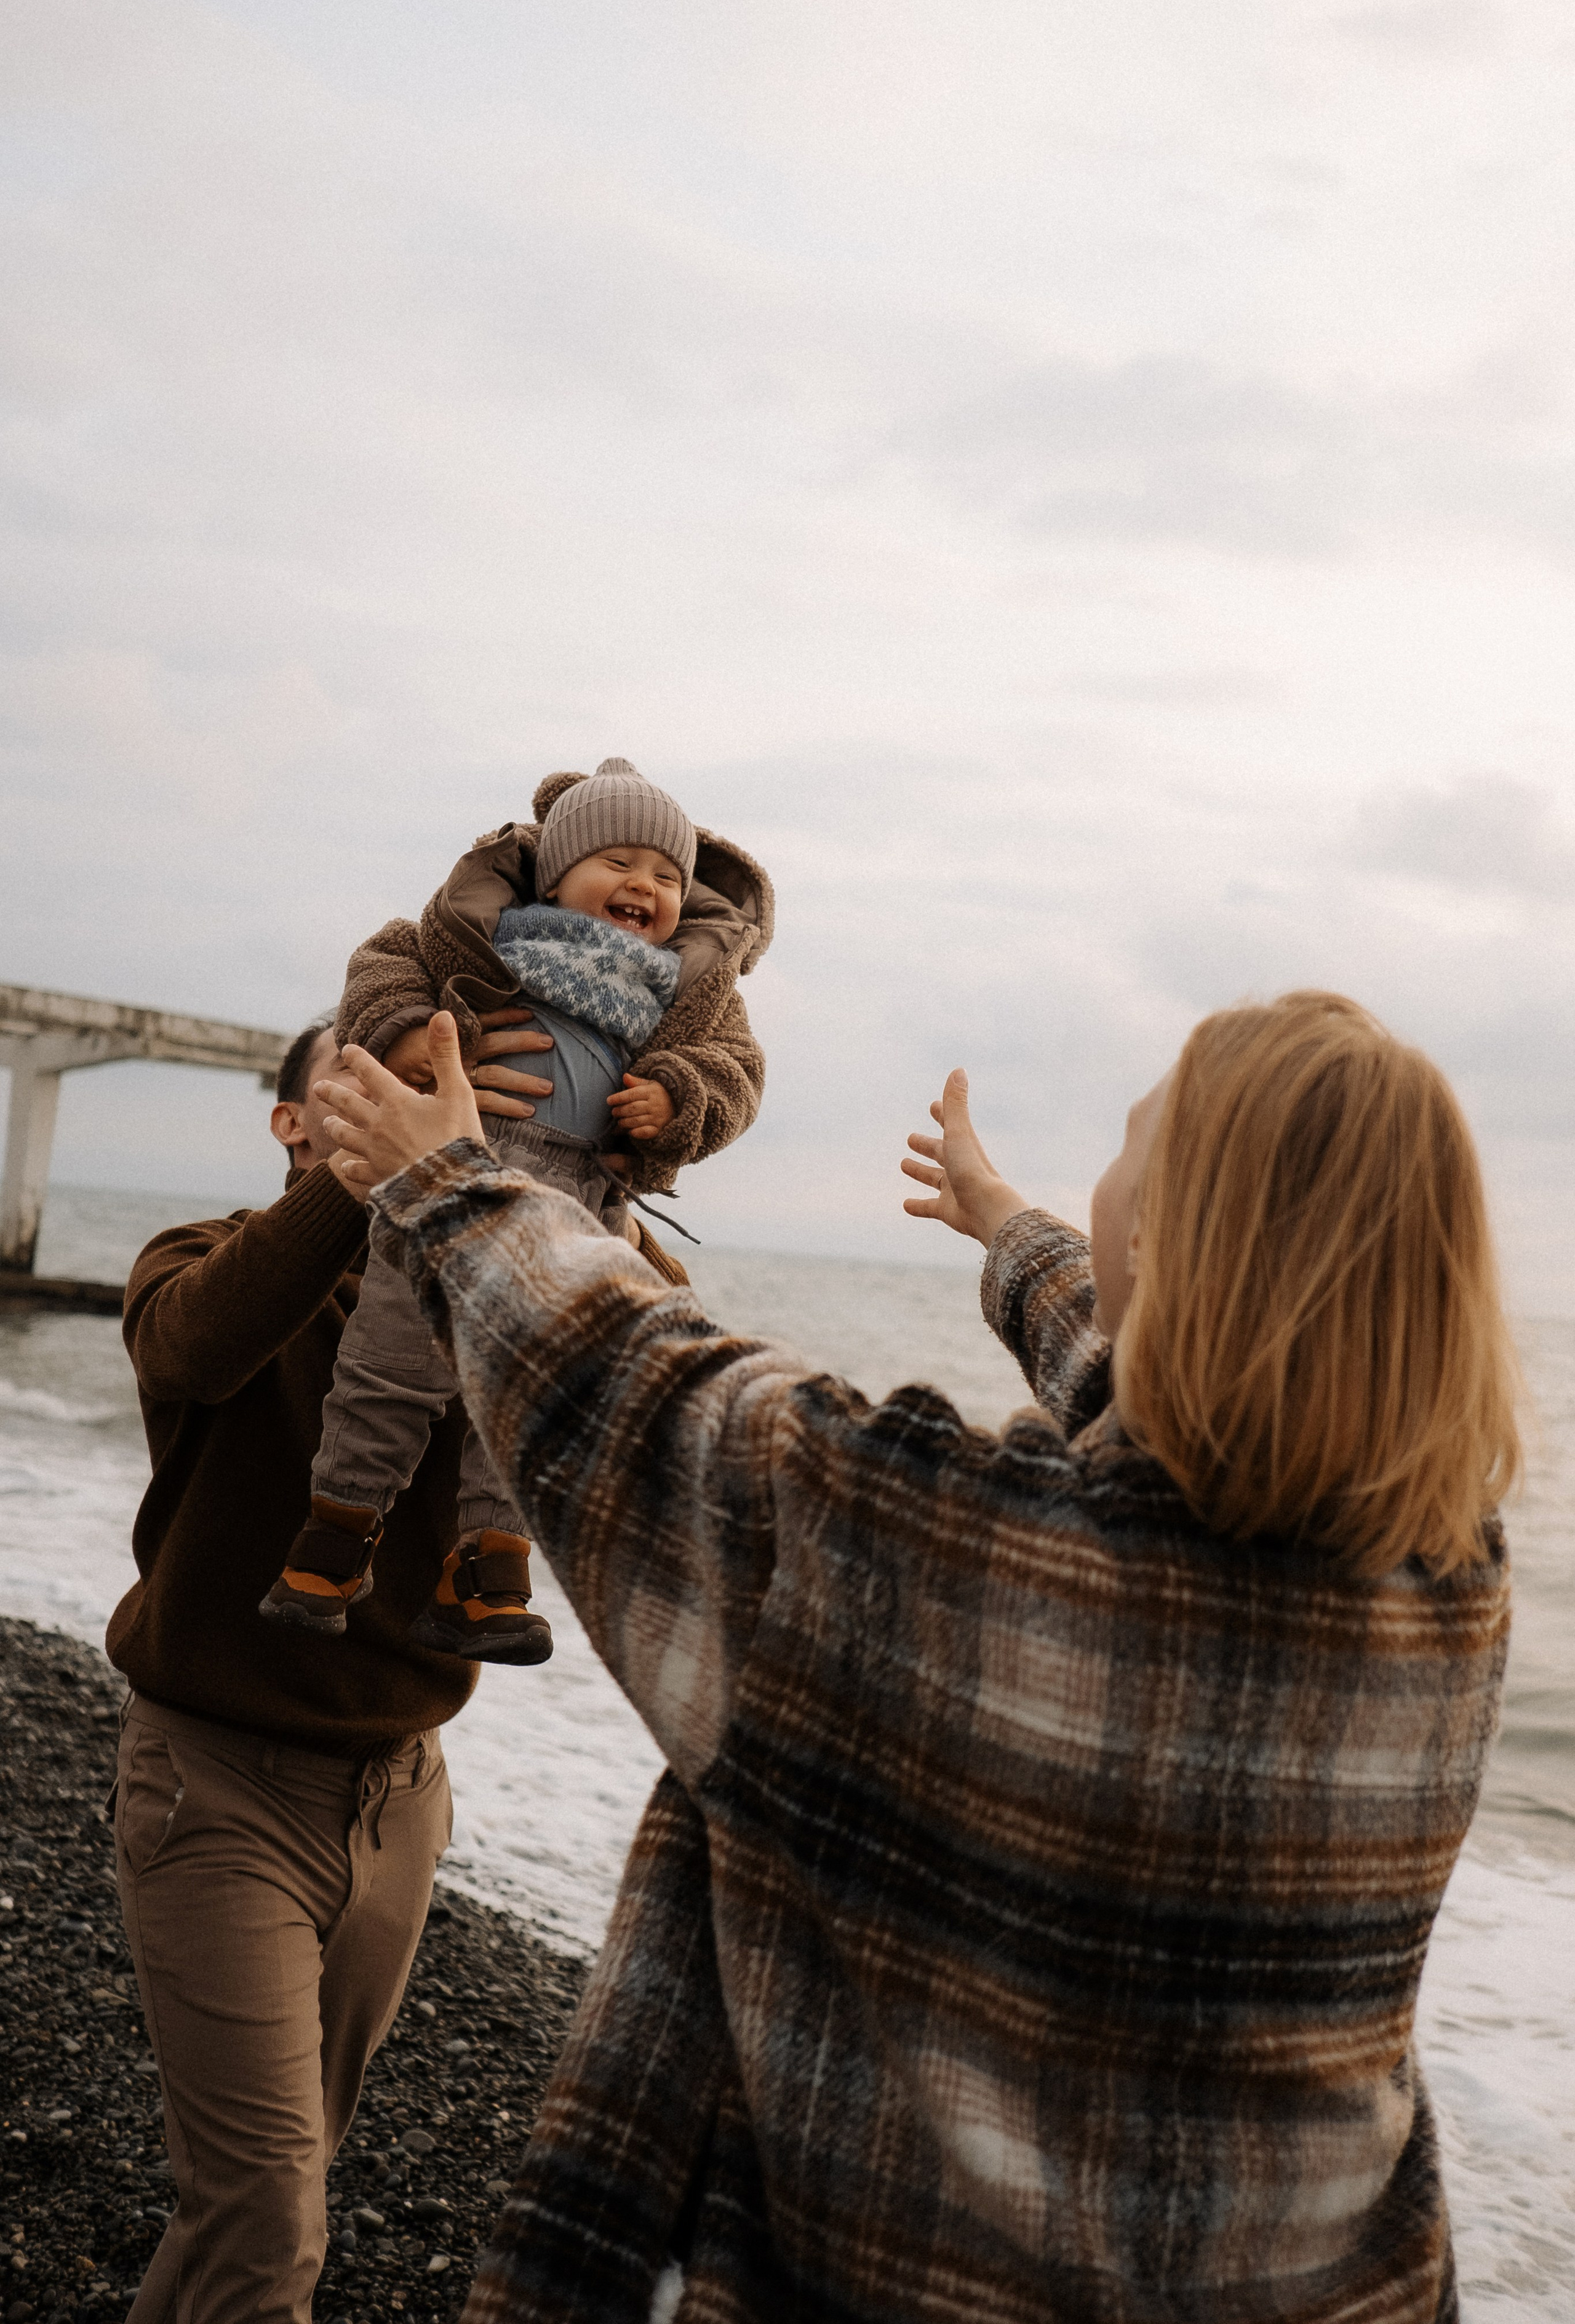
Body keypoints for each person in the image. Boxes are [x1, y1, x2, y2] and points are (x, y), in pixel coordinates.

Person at [317, 991, 1516, 2324]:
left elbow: (633, 1381)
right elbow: (1157, 1405)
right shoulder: (1448, 1587)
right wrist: (1004, 1226)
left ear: (1179, 1236)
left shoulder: (922, 1542)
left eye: (1133, 1149)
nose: (1103, 1183)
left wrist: (446, 1183)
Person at [107, 1008, 544, 2324]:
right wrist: (366, 1186)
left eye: (438, 1093)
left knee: (253, 2201)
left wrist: (543, 1183)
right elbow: (189, 1345)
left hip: (401, 1798)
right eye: (372, 1085)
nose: (412, 1108)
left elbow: (630, 1368)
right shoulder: (199, 1258)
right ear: (294, 1118)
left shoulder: (484, 1295)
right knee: (268, 2216)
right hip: (214, 1789)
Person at [260, 757, 772, 1664]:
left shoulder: (690, 989)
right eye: (617, 861)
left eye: (665, 876)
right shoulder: (477, 931)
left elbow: (738, 1077)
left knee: (530, 1387)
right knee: (389, 1362)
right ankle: (333, 1540)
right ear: (552, 869)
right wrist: (412, 1036)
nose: (643, 886)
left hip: (580, 1201)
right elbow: (380, 969)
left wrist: (677, 1099)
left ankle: (489, 1572)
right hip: (445, 1173)